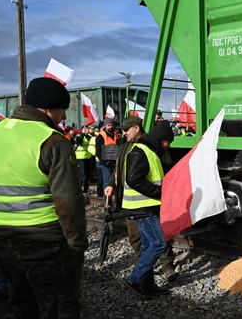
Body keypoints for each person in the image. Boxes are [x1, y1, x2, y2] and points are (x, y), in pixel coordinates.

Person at [0, 77, 87, 318]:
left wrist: (1, 225)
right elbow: (68, 203)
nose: (64, 117)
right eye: (62, 110)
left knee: (21, 306)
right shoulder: (53, 141)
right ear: (48, 109)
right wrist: (76, 244)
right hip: (46, 245)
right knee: (58, 308)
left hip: (2, 243)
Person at [105, 116, 173, 299]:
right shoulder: (141, 151)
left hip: (145, 205)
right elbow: (133, 179)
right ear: (162, 140)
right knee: (159, 243)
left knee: (149, 245)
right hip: (143, 206)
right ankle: (135, 278)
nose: (168, 146)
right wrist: (158, 192)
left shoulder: (146, 150)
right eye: (167, 141)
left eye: (127, 129)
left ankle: (148, 284)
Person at [95, 118, 120, 197]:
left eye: (112, 125)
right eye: (108, 125)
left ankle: (114, 201)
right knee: (107, 183)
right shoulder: (100, 137)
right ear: (105, 126)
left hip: (115, 162)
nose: (110, 127)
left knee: (116, 183)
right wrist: (105, 163)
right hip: (105, 164)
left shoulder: (116, 135)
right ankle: (107, 203)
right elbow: (98, 152)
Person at [73, 125, 94, 193]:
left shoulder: (89, 136)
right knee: (83, 173)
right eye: (86, 129)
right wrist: (82, 133)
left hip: (88, 157)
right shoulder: (78, 136)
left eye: (88, 128)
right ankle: (80, 187)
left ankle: (86, 188)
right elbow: (78, 142)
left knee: (88, 174)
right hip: (80, 157)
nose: (87, 130)